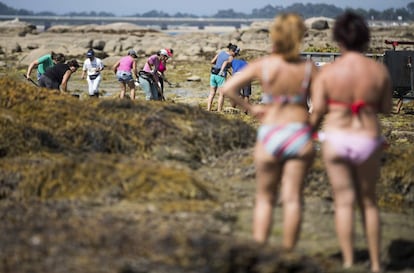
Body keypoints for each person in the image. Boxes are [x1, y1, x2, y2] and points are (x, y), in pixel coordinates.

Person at [221, 13, 317, 251]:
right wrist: (312, 125)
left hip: (271, 131)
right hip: (298, 131)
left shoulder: (264, 64)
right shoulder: (308, 68)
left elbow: (228, 88)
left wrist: (252, 109)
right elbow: (323, 104)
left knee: (264, 199)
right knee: (293, 199)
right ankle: (287, 255)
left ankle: (260, 255)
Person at [309, 11, 392, 273]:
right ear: (366, 39)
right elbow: (387, 109)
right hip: (367, 138)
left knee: (343, 202)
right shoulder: (378, 70)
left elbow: (318, 109)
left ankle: (348, 262)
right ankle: (377, 265)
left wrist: (306, 133)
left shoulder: (328, 72)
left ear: (339, 40)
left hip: (335, 136)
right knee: (368, 202)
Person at [207, 43, 238, 111]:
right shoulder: (230, 57)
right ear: (232, 51)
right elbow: (227, 65)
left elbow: (212, 61)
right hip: (221, 76)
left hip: (213, 74)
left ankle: (208, 109)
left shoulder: (221, 52)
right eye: (235, 52)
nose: (236, 54)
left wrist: (218, 63)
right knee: (221, 95)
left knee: (212, 93)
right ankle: (219, 110)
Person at [230, 48, 251, 113]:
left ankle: (233, 108)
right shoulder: (246, 63)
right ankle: (245, 111)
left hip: (237, 76)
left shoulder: (233, 61)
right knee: (246, 95)